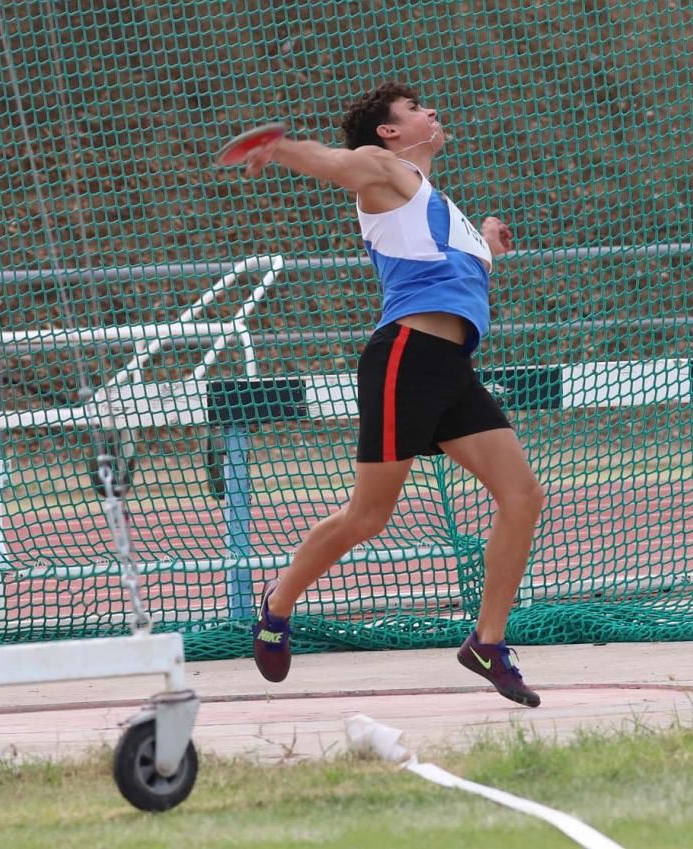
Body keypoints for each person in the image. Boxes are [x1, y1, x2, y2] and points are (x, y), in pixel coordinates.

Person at [241, 82, 546, 707]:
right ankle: (276, 606)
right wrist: (280, 147)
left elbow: (448, 268)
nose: (432, 111)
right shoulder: (384, 170)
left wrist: (486, 245)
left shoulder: (433, 201)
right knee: (369, 516)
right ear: (390, 131)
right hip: (405, 360)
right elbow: (335, 162)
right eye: (415, 109)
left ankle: (487, 642)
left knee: (522, 495)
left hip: (450, 367)